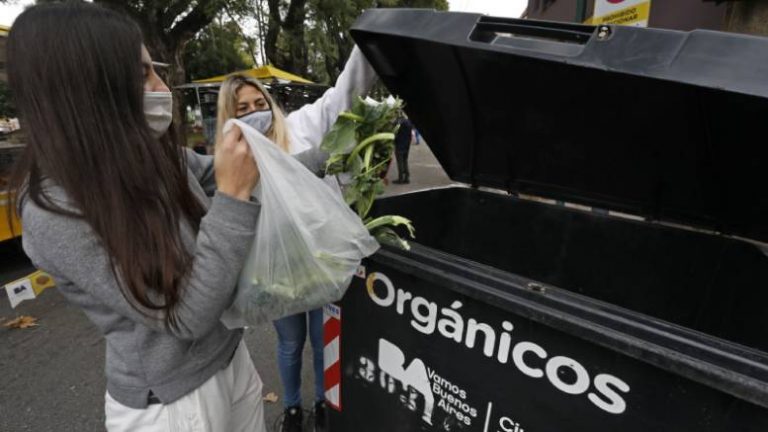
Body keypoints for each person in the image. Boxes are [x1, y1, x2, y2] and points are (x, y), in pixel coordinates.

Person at [8, 3, 268, 431]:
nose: (161, 87)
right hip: (173, 403)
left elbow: (228, 168)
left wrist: (333, 150)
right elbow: (186, 315)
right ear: (90, 89)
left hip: (230, 359)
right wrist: (234, 194)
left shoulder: (149, 157)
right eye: (143, 74)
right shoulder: (54, 212)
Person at [214, 48, 377, 432]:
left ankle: (323, 402)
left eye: (260, 102)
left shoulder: (302, 126)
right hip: (275, 274)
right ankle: (291, 409)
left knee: (324, 343)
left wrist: (368, 46)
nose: (256, 111)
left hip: (320, 266)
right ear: (230, 117)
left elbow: (343, 93)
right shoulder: (232, 159)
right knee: (289, 345)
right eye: (243, 108)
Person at [393, 116, 414, 184]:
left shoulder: (401, 122)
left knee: (400, 163)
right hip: (406, 146)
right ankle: (407, 178)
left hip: (400, 146)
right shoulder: (409, 123)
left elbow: (394, 124)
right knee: (405, 161)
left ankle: (400, 179)